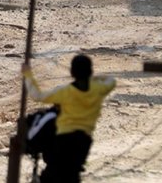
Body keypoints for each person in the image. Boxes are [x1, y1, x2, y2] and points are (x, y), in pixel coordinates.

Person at [22, 55, 116, 183]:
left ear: (72, 72)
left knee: (54, 174)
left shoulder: (65, 92)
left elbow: (37, 95)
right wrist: (95, 78)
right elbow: (111, 81)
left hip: (64, 140)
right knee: (72, 173)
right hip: (84, 141)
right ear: (90, 71)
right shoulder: (97, 90)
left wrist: (27, 74)